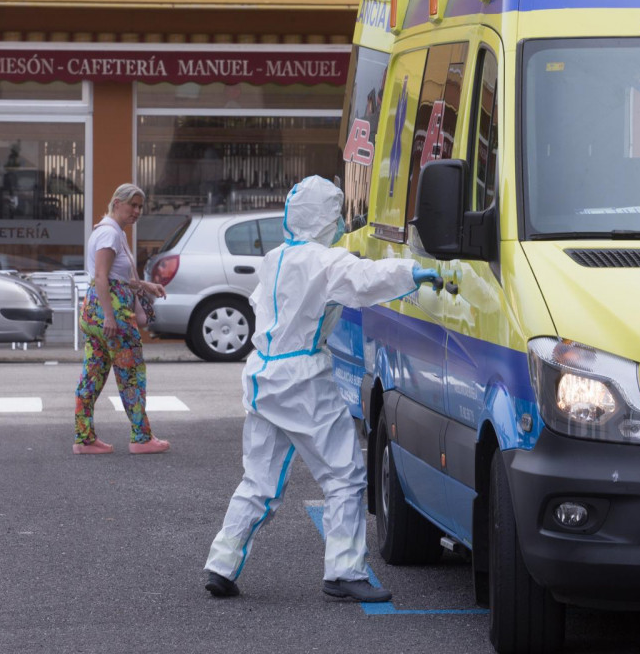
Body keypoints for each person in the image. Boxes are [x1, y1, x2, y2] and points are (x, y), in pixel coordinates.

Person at [203, 175, 439, 603]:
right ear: (325, 218)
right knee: (344, 475)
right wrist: (412, 272)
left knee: (259, 481)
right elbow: (365, 280)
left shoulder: (275, 258)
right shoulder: (324, 262)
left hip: (263, 376)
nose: (341, 226)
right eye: (337, 218)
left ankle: (221, 564)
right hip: (303, 381)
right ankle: (345, 570)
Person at [73, 183, 170, 455]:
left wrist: (144, 286)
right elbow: (103, 277)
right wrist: (109, 315)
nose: (137, 211)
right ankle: (141, 438)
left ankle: (84, 438)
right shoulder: (110, 235)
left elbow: (112, 276)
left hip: (95, 309)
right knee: (131, 374)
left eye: (140, 206)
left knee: (92, 374)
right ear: (117, 203)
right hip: (110, 310)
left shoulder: (108, 231)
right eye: (133, 205)